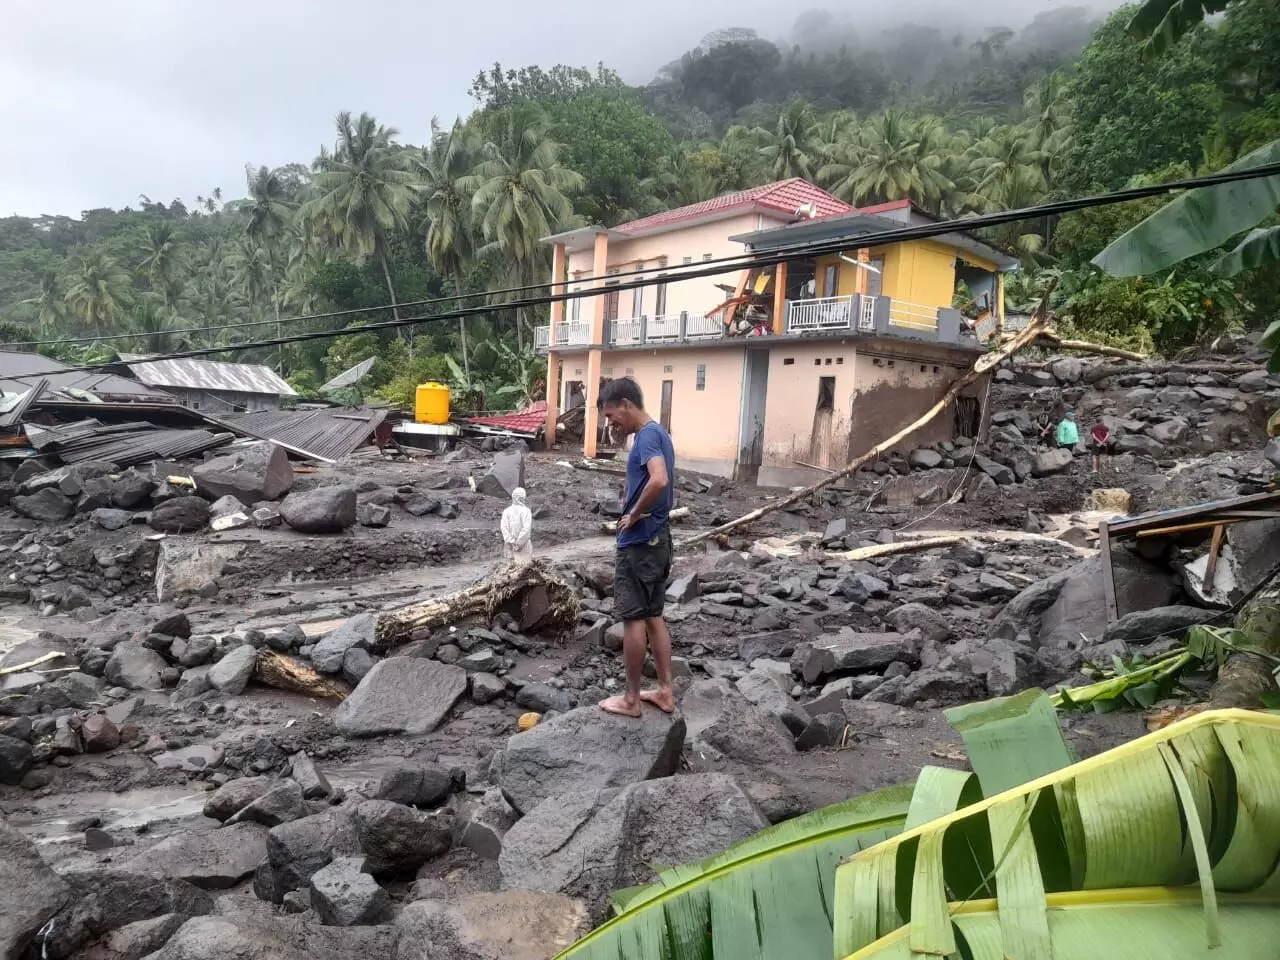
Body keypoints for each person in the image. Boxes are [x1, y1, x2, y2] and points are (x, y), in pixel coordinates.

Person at [595, 378, 676, 718]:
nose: (610, 422)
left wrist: (633, 514)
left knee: (633, 620)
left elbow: (659, 479)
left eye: (612, 415)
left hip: (641, 543)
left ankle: (630, 700)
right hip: (658, 540)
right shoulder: (659, 433)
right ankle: (664, 692)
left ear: (627, 404)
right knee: (654, 617)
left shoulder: (647, 437)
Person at [499, 487, 533, 563]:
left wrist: (511, 541)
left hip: (510, 546)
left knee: (511, 570)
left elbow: (504, 529)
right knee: (523, 570)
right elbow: (526, 529)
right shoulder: (526, 511)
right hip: (523, 546)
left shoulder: (506, 511)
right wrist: (518, 543)